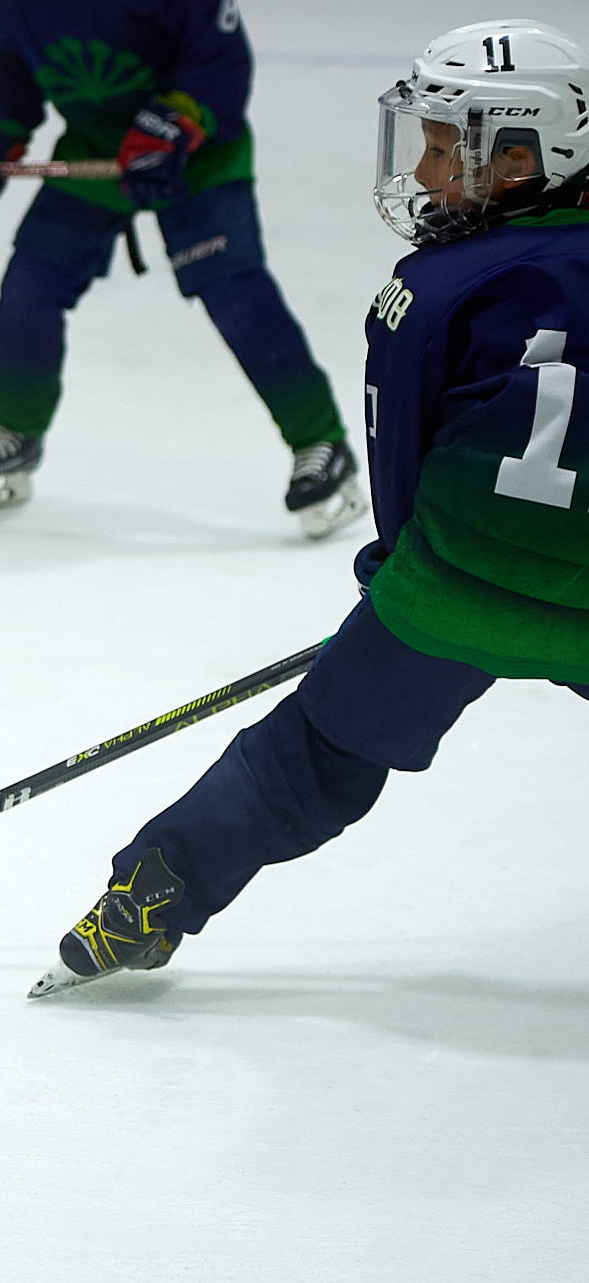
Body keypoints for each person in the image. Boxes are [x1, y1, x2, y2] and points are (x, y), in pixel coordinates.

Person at [29, 18, 589, 998]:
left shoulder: (431, 285)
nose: (419, 170)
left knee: (313, 753)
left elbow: (401, 463)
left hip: (444, 595)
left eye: (439, 145)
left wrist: (393, 585)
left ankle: (146, 901)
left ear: (519, 154)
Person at [0, 0, 367, 537]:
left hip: (198, 158)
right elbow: (12, 69)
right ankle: (16, 431)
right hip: (96, 155)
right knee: (30, 285)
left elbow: (218, 58)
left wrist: (176, 123)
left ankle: (320, 440)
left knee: (234, 293)